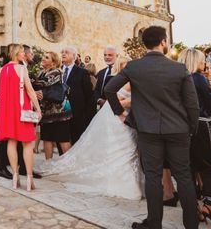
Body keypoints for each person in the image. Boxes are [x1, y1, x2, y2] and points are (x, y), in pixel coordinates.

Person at [105, 25, 200, 229]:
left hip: (148, 130)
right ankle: (191, 225)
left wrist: (120, 113)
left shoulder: (134, 67)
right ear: (163, 42)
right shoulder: (179, 68)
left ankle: (154, 224)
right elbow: (192, 103)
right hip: (178, 129)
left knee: (153, 177)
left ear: (144, 43)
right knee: (183, 176)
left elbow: (109, 88)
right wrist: (191, 128)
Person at [38, 56, 144, 200]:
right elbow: (116, 100)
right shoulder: (126, 82)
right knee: (120, 148)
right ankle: (119, 182)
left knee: (127, 150)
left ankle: (128, 182)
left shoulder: (133, 80)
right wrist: (133, 101)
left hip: (124, 119)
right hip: (117, 118)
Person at [177, 48, 211, 226]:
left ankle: (193, 206)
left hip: (180, 128)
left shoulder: (177, 79)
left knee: (187, 169)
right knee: (209, 167)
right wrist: (210, 79)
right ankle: (208, 203)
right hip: (200, 126)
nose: (205, 64)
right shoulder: (198, 78)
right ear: (197, 61)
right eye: (203, 60)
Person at [0, 44, 42, 191]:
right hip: (22, 110)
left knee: (11, 142)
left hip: (7, 112)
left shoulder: (2, 70)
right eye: (22, 52)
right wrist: (38, 109)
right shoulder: (22, 69)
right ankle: (29, 180)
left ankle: (15, 177)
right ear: (16, 53)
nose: (24, 54)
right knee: (27, 143)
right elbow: (30, 91)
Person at [34, 51, 72, 159]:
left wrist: (28, 78)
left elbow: (43, 83)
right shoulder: (41, 73)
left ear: (53, 62)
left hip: (59, 112)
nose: (43, 58)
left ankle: (67, 164)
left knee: (62, 138)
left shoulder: (56, 72)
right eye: (43, 56)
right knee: (47, 137)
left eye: (47, 57)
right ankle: (48, 163)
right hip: (46, 112)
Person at [61, 46, 96, 145]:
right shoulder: (57, 71)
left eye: (66, 52)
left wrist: (89, 116)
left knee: (77, 141)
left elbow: (89, 95)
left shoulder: (82, 72)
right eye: (62, 52)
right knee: (61, 141)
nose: (63, 54)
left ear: (74, 56)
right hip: (59, 113)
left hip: (77, 114)